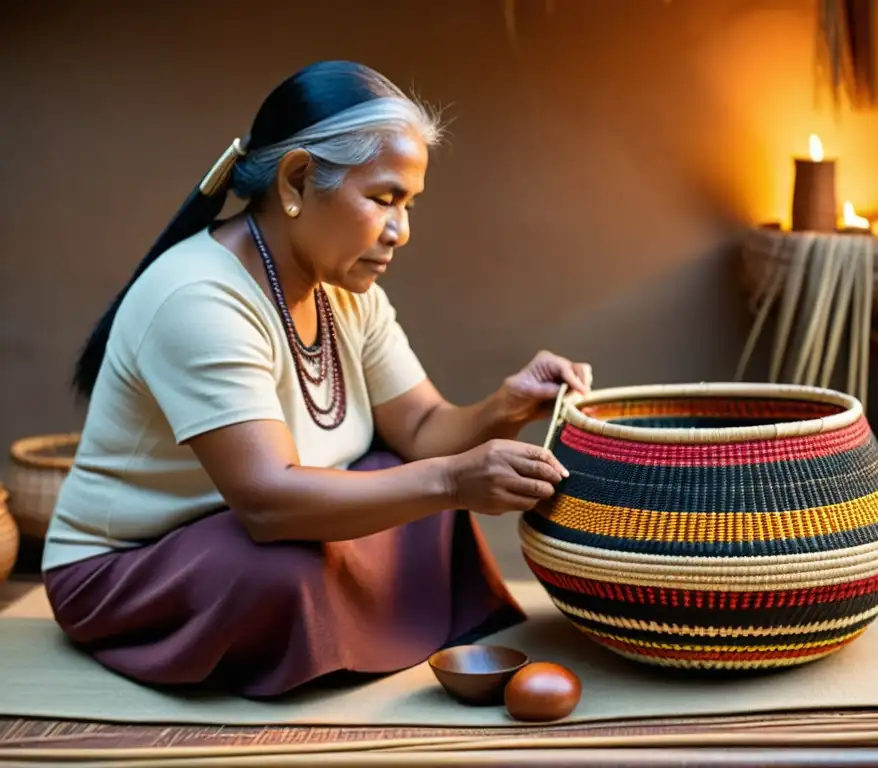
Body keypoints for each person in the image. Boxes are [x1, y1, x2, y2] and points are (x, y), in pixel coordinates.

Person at [41, 60, 593, 699]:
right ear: (298, 179)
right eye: (384, 198)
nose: (401, 230)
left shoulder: (345, 286)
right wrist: (452, 480)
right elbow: (268, 503)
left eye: (408, 204)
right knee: (287, 561)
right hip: (138, 566)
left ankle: (349, 626)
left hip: (263, 523)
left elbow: (419, 430)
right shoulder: (198, 295)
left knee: (410, 492)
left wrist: (507, 405)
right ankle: (356, 621)